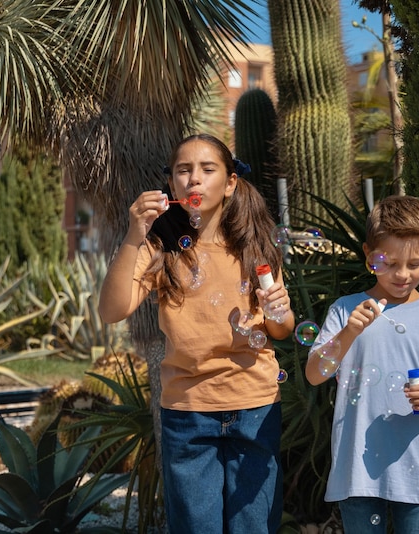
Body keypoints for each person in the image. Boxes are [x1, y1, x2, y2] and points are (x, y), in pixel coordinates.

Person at [99, 133, 295, 534]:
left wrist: (283, 311)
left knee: (254, 527)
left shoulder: (255, 247)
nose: (194, 179)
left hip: (255, 406)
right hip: (187, 413)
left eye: (208, 170)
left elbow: (280, 329)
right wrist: (134, 234)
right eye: (183, 171)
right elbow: (111, 310)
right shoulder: (159, 248)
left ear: (230, 184)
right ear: (170, 185)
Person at [305, 195, 419, 534]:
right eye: (389, 263)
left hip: (415, 468)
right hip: (356, 471)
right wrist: (349, 332)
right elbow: (315, 374)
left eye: (414, 263)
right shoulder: (345, 311)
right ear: (368, 255)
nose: (402, 274)